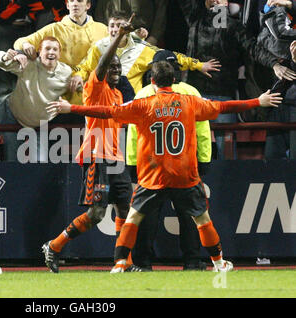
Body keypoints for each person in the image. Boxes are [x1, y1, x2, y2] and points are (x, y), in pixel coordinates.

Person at [47, 60, 282, 273]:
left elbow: (108, 112)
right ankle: (219, 262)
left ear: (152, 81)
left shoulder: (143, 104)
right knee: (202, 219)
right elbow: (225, 107)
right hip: (184, 175)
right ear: (174, 81)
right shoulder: (189, 102)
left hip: (152, 176)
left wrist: (72, 109)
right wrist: (257, 101)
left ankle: (119, 264)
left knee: (133, 218)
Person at [41, 17, 134, 273]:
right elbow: (103, 63)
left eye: (119, 69)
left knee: (126, 208)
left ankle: (122, 262)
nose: (115, 71)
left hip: (117, 158)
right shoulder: (95, 85)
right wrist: (118, 37)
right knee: (96, 214)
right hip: (96, 155)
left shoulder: (118, 94)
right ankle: (55, 246)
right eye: (111, 68)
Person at [126, 50, 211, 271]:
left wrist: (131, 166)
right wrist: (204, 161)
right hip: (184, 166)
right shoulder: (190, 92)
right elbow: (202, 130)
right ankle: (192, 260)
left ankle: (143, 263)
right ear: (175, 73)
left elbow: (133, 135)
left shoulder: (144, 94)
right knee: (192, 214)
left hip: (151, 168)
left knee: (145, 214)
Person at [179, 0, 295, 160]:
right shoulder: (195, 18)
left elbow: (254, 48)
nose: (218, 1)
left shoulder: (234, 26)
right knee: (192, 145)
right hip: (195, 94)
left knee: (225, 148)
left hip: (223, 93)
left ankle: (229, 182)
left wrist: (274, 64)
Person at [73, 10, 221, 96]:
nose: (115, 29)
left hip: (130, 106)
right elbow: (84, 67)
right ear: (107, 28)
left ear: (128, 28)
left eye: (119, 26)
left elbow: (172, 56)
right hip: (103, 103)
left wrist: (199, 65)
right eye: (112, 26)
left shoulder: (141, 48)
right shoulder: (98, 48)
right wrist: (78, 76)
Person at [0, 36, 72, 162]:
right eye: (47, 49)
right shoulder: (28, 64)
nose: (51, 52)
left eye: (55, 49)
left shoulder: (67, 73)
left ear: (59, 53)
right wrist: (6, 57)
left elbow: (83, 91)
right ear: (39, 52)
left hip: (42, 123)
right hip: (14, 117)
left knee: (41, 164)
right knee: (11, 163)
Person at [13, 0, 108, 105]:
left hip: (92, 93)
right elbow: (20, 41)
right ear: (67, 5)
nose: (75, 4)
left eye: (80, 1)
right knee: (45, 119)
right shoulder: (54, 28)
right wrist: (26, 45)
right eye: (71, 1)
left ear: (88, 5)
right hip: (60, 94)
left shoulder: (102, 29)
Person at [256, 2, 296, 159]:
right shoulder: (270, 11)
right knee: (272, 161)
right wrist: (273, 63)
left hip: (293, 103)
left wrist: (289, 3)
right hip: (275, 99)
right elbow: (258, 43)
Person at [94, 0, 169, 46]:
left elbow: (161, 8)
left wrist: (154, 37)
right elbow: (99, 15)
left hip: (144, 39)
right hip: (111, 40)